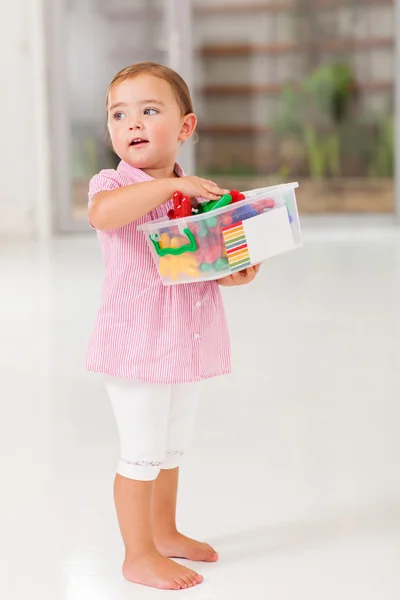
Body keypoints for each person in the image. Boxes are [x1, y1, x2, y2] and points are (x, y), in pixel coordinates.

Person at [87, 62, 260, 591]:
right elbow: (104, 214)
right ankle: (136, 554)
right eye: (120, 113)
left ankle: (164, 532)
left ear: (185, 127)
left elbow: (205, 268)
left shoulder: (200, 195)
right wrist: (168, 190)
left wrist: (236, 272)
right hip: (137, 346)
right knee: (140, 453)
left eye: (149, 110)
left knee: (170, 449)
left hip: (184, 344)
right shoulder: (114, 182)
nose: (132, 122)